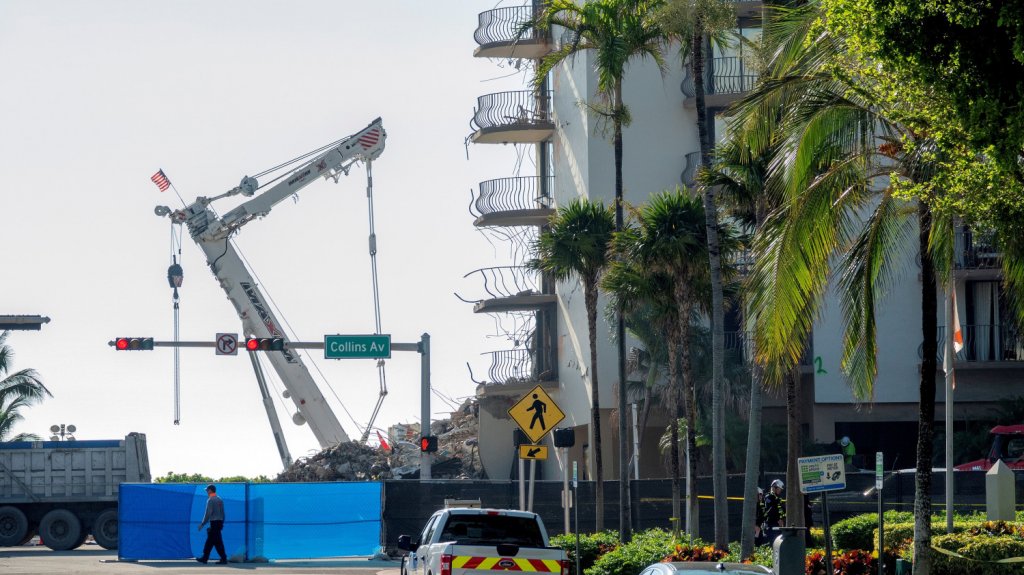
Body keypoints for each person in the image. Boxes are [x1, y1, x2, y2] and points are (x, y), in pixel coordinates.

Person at [197, 484, 227, 564]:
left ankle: (205, 558)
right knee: (216, 542)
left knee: (211, 541)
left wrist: (202, 524)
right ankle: (221, 558)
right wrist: (222, 523)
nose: (206, 491)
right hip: (219, 522)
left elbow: (208, 513)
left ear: (210, 490)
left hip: (214, 523)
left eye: (207, 490)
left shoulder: (210, 500)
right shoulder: (219, 499)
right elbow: (223, 513)